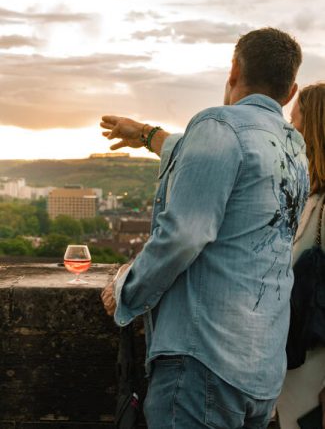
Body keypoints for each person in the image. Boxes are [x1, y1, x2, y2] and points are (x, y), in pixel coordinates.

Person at [101, 27, 309, 429]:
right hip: (261, 369)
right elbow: (220, 160)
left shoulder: (219, 125)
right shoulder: (291, 145)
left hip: (204, 362)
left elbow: (183, 235)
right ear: (290, 91)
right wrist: (147, 135)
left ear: (233, 70)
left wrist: (128, 290)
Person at [276, 83, 325, 429]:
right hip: (297, 380)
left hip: (317, 387)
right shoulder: (311, 198)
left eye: (295, 124)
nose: (290, 133)